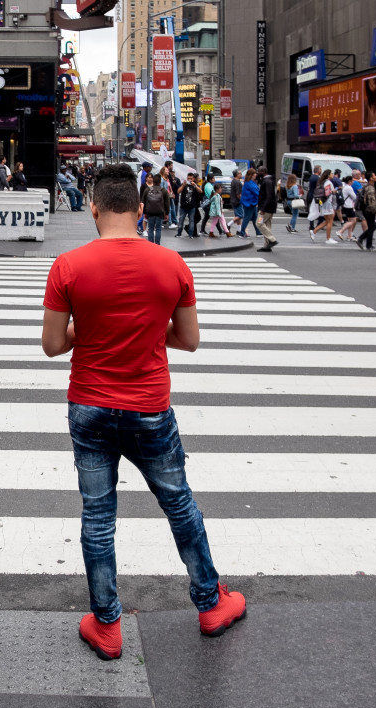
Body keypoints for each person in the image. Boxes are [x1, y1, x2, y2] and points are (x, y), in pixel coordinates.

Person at [39, 164, 246, 661]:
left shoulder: (67, 266)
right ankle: (210, 603)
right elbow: (190, 340)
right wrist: (151, 332)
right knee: (179, 505)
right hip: (149, 406)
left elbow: (51, 345)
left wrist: (85, 333)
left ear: (93, 208)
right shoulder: (171, 265)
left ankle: (107, 624)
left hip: (88, 404)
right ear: (139, 209)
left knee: (98, 516)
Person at [139, 173, 169, 245]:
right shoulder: (163, 190)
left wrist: (145, 212)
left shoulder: (147, 190)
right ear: (160, 182)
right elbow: (167, 203)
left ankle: (151, 244)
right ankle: (157, 244)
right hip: (160, 212)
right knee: (158, 229)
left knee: (150, 229)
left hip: (150, 212)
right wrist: (166, 213)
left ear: (153, 181)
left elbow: (143, 201)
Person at [256, 167, 279, 251]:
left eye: (258, 172)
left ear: (263, 172)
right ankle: (267, 245)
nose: (257, 173)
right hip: (270, 208)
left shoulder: (266, 181)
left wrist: (263, 208)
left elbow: (268, 196)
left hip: (265, 209)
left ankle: (272, 240)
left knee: (259, 223)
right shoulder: (271, 180)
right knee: (267, 225)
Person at [356, 172, 376, 251]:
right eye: (374, 175)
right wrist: (375, 211)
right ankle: (368, 245)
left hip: (366, 209)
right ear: (371, 178)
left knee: (372, 227)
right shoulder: (370, 188)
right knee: (371, 227)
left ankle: (361, 239)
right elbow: (371, 201)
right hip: (369, 210)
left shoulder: (368, 186)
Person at [313, 169, 337, 244]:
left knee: (327, 220)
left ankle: (314, 231)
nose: (333, 174)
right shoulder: (328, 183)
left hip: (324, 203)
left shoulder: (322, 182)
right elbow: (327, 193)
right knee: (330, 221)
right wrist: (333, 191)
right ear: (328, 175)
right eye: (331, 173)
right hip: (328, 203)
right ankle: (328, 238)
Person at [176, 172, 201, 238]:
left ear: (193, 179)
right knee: (181, 220)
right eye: (188, 178)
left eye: (191, 178)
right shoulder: (184, 184)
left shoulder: (194, 185)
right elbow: (178, 191)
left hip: (192, 206)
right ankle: (179, 233)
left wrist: (195, 185)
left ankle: (191, 234)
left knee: (192, 220)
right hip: (183, 206)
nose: (189, 180)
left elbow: (200, 191)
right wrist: (183, 185)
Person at [335, 176, 360, 242]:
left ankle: (349, 236)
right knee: (353, 221)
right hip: (349, 206)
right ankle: (340, 231)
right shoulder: (349, 188)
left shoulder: (344, 186)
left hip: (345, 206)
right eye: (352, 181)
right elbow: (354, 197)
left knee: (350, 221)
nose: (353, 182)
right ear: (349, 181)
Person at [305, 165, 322, 232]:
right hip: (316, 196)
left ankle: (311, 225)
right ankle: (319, 224)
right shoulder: (318, 178)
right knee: (320, 210)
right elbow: (319, 187)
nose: (321, 171)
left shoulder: (311, 177)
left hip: (310, 194)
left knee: (311, 210)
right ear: (318, 170)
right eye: (320, 169)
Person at [228, 169, 243, 236]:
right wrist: (242, 199)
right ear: (237, 174)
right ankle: (228, 225)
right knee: (240, 215)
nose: (241, 175)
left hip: (233, 200)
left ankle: (239, 230)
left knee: (237, 216)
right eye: (240, 173)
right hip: (237, 201)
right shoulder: (237, 182)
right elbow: (238, 194)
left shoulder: (233, 181)